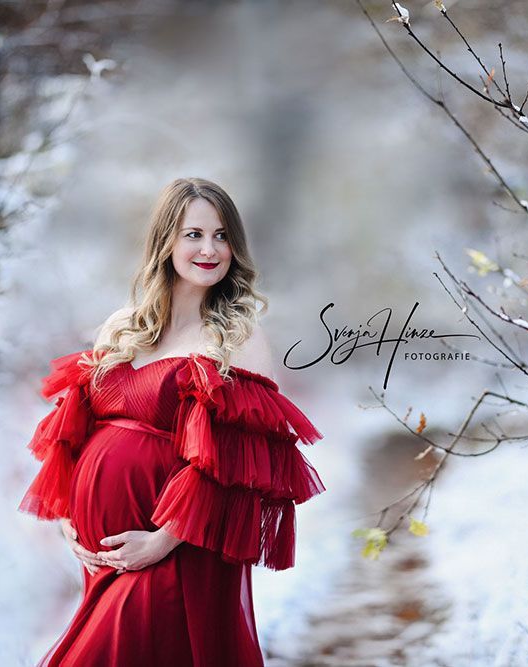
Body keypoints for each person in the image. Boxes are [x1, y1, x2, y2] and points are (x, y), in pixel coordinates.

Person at [17, 177, 326, 666]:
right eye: (194, 234)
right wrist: (66, 516)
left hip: (178, 547)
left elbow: (237, 464)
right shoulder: (125, 327)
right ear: (166, 241)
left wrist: (163, 541)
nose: (210, 249)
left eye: (222, 236)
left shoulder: (239, 338)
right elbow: (75, 430)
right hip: (106, 555)